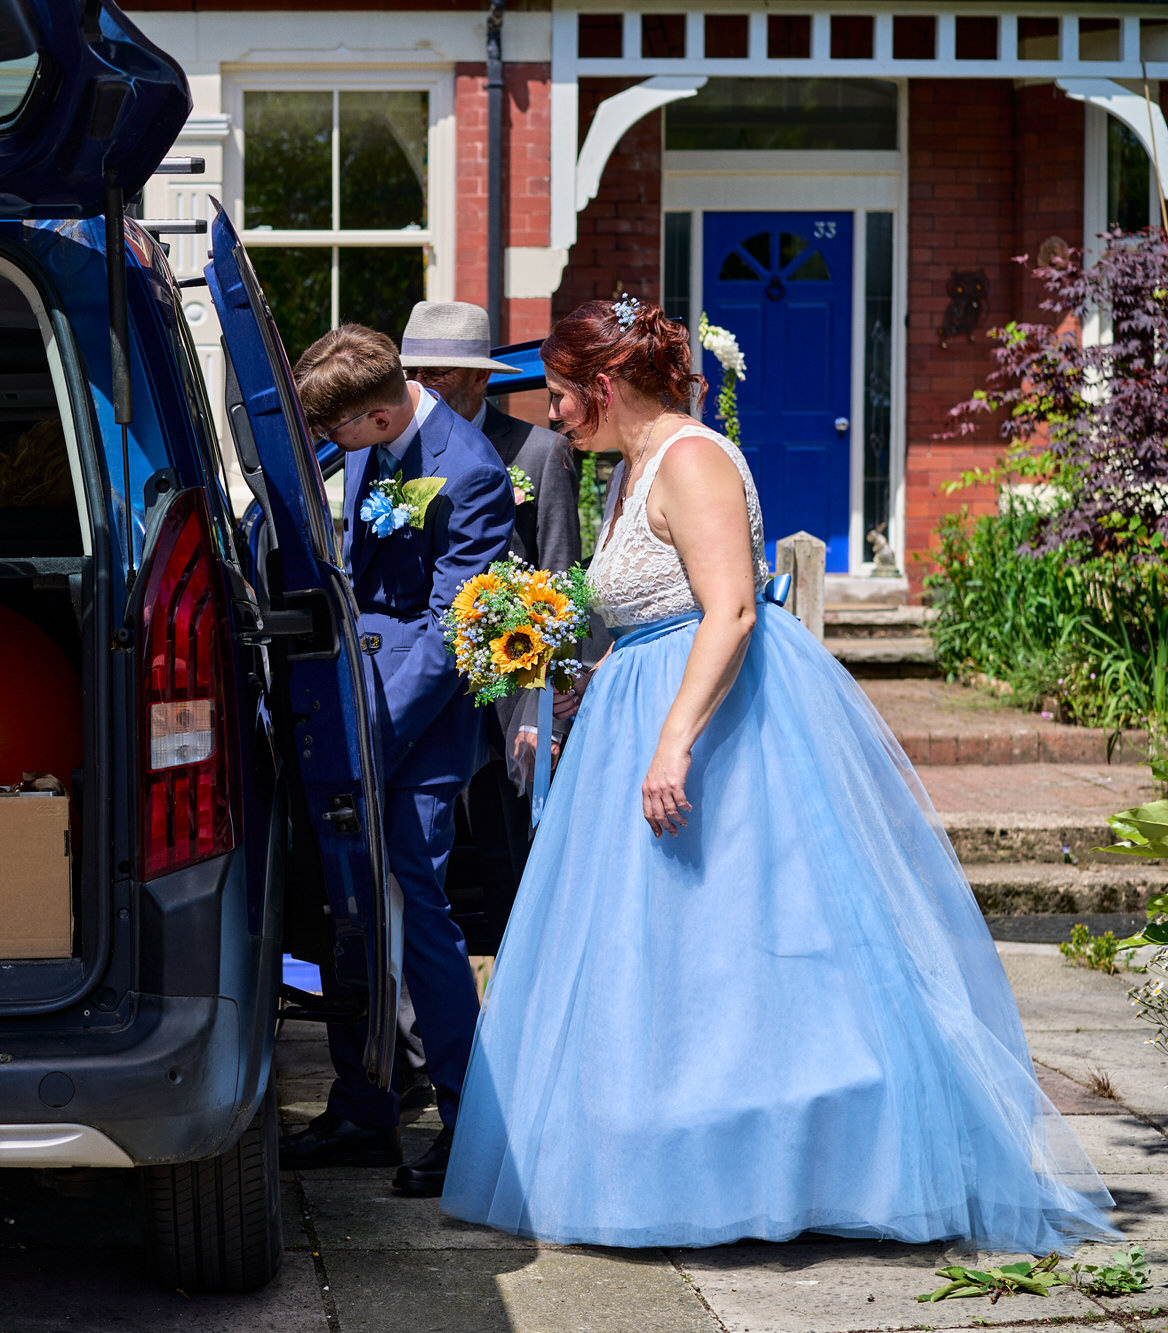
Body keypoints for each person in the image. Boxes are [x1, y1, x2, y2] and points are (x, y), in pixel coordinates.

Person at [441, 296, 1117, 1252]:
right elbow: (650, 610)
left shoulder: (695, 459)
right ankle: (676, 1153)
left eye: (559, 398)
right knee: (666, 959)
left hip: (717, 728)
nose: (552, 418)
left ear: (601, 386)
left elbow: (729, 612)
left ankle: (807, 1162)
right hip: (639, 707)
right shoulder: (629, 468)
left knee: (753, 944)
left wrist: (672, 740)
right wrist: (579, 679)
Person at [276, 324, 514, 1197]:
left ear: (380, 414)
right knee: (348, 915)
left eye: (337, 434)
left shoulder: (472, 472)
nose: (330, 450)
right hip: (347, 710)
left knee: (419, 921)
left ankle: (467, 1122)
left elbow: (454, 633)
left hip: (415, 735)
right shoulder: (372, 442)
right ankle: (365, 1106)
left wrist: (370, 741)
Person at [401, 300, 580, 952]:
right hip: (425, 685)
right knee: (428, 852)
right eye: (415, 370)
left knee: (512, 848)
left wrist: (548, 709)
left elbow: (559, 579)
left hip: (511, 690)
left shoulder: (538, 451)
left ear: (480, 378)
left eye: (440, 372)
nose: (425, 384)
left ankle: (517, 990)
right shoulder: (402, 454)